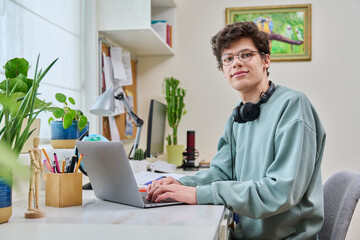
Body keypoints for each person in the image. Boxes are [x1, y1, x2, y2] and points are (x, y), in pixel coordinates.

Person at [147, 21, 326, 239]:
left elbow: (279, 192)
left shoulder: (293, 106)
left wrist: (197, 194)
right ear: (223, 71)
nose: (236, 63)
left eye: (246, 55)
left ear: (266, 60)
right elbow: (221, 174)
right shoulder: (238, 117)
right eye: (228, 59)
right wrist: (180, 183)